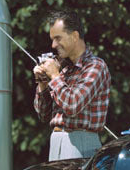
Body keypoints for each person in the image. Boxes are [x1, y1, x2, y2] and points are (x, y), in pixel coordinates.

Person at [33, 9, 111, 160]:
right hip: (56, 142)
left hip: (80, 143)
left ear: (75, 36)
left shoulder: (95, 66)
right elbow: (44, 115)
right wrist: (43, 83)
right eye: (52, 39)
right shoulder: (64, 70)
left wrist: (54, 76)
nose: (53, 45)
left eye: (58, 38)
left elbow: (73, 105)